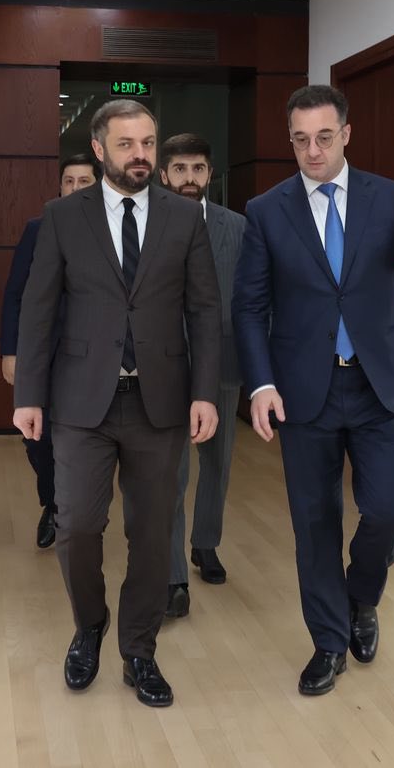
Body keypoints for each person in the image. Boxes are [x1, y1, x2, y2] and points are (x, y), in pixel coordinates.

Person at [232, 84, 394, 697]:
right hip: (305, 390)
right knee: (315, 521)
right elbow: (248, 307)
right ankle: (329, 642)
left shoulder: (390, 199)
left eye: (324, 138)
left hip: (379, 385)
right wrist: (261, 383)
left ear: (346, 134)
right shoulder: (266, 211)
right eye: (301, 140)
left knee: (389, 510)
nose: (313, 151)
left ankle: (361, 597)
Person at [13, 99, 221, 709]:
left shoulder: (183, 218)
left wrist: (206, 392)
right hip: (81, 402)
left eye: (148, 144)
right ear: (100, 148)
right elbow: (38, 309)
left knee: (153, 534)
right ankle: (89, 626)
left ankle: (139, 650)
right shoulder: (62, 217)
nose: (140, 156)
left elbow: (205, 310)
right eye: (127, 144)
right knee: (77, 525)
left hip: (161, 401)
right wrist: (29, 395)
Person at [156, 133, 246, 619]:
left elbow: (251, 300)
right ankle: (173, 575)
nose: (188, 178)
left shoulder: (238, 227)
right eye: (179, 169)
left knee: (218, 462)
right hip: (167, 366)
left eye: (197, 169)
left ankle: (205, 543)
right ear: (163, 174)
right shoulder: (146, 223)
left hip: (224, 363)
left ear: (210, 174)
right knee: (172, 473)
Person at [0, 153, 98, 548]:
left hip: (91, 358)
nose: (74, 188)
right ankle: (53, 503)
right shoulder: (37, 230)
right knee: (37, 439)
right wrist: (11, 351)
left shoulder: (114, 231)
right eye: (68, 181)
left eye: (84, 181)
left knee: (84, 440)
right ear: (60, 187)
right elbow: (15, 294)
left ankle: (72, 512)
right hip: (43, 355)